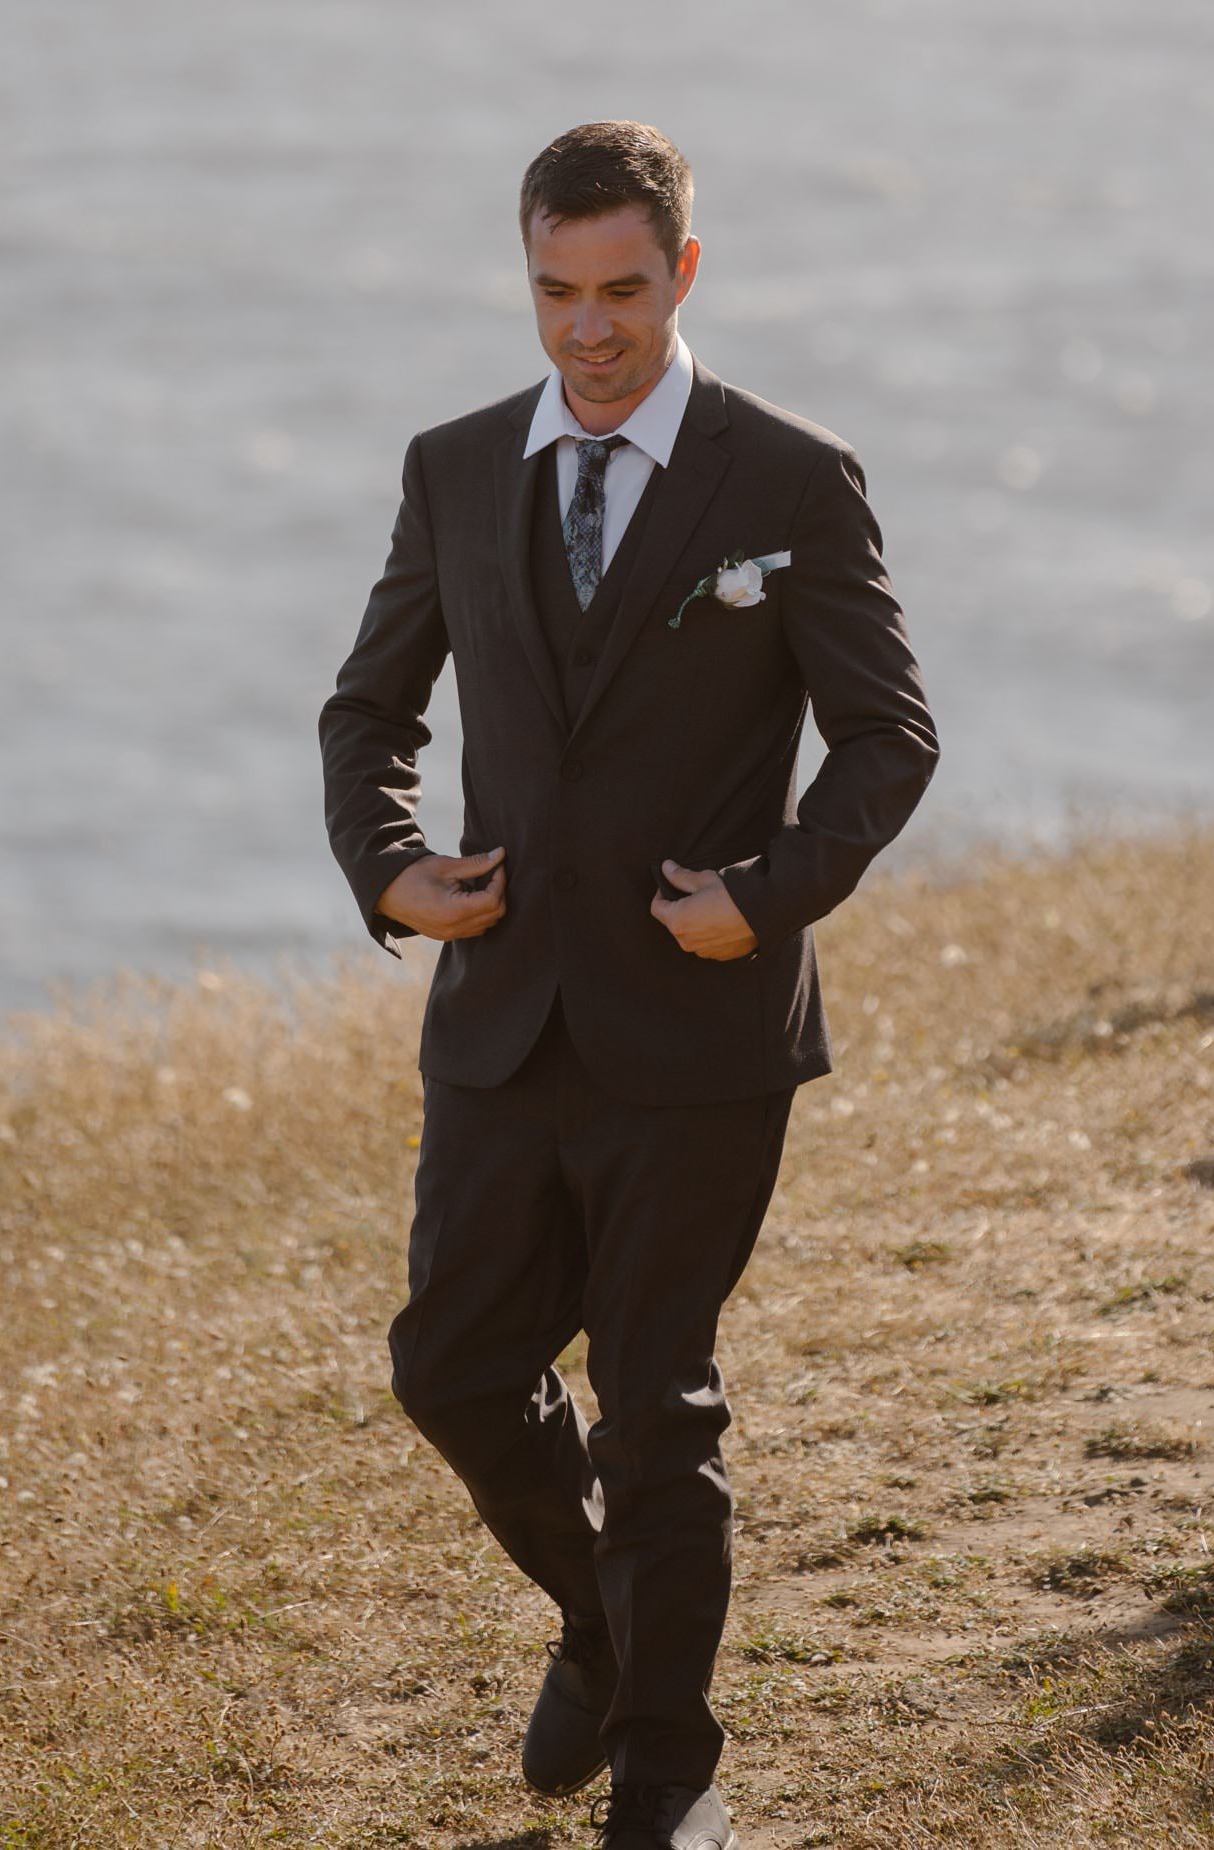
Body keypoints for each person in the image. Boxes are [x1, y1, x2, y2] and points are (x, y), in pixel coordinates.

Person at [319, 120, 938, 1850]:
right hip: (502, 1018)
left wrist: (772, 893)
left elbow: (890, 735)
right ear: (527, 275)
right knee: (450, 1363)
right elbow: (368, 711)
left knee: (657, 1401)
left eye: (621, 290)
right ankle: (603, 1627)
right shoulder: (454, 466)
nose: (588, 330)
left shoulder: (791, 479)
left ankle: (671, 1776)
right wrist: (389, 863)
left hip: (699, 1029)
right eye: (554, 291)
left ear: (684, 271)